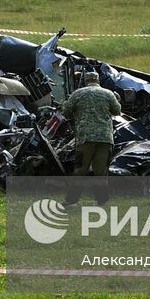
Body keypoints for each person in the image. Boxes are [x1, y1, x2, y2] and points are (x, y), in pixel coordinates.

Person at [61, 70, 120, 205]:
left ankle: (71, 201)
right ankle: (102, 201)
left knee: (80, 169)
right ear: (98, 80)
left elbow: (66, 112)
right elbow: (117, 111)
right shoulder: (108, 94)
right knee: (101, 171)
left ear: (85, 81)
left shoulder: (78, 94)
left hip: (85, 139)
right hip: (105, 138)